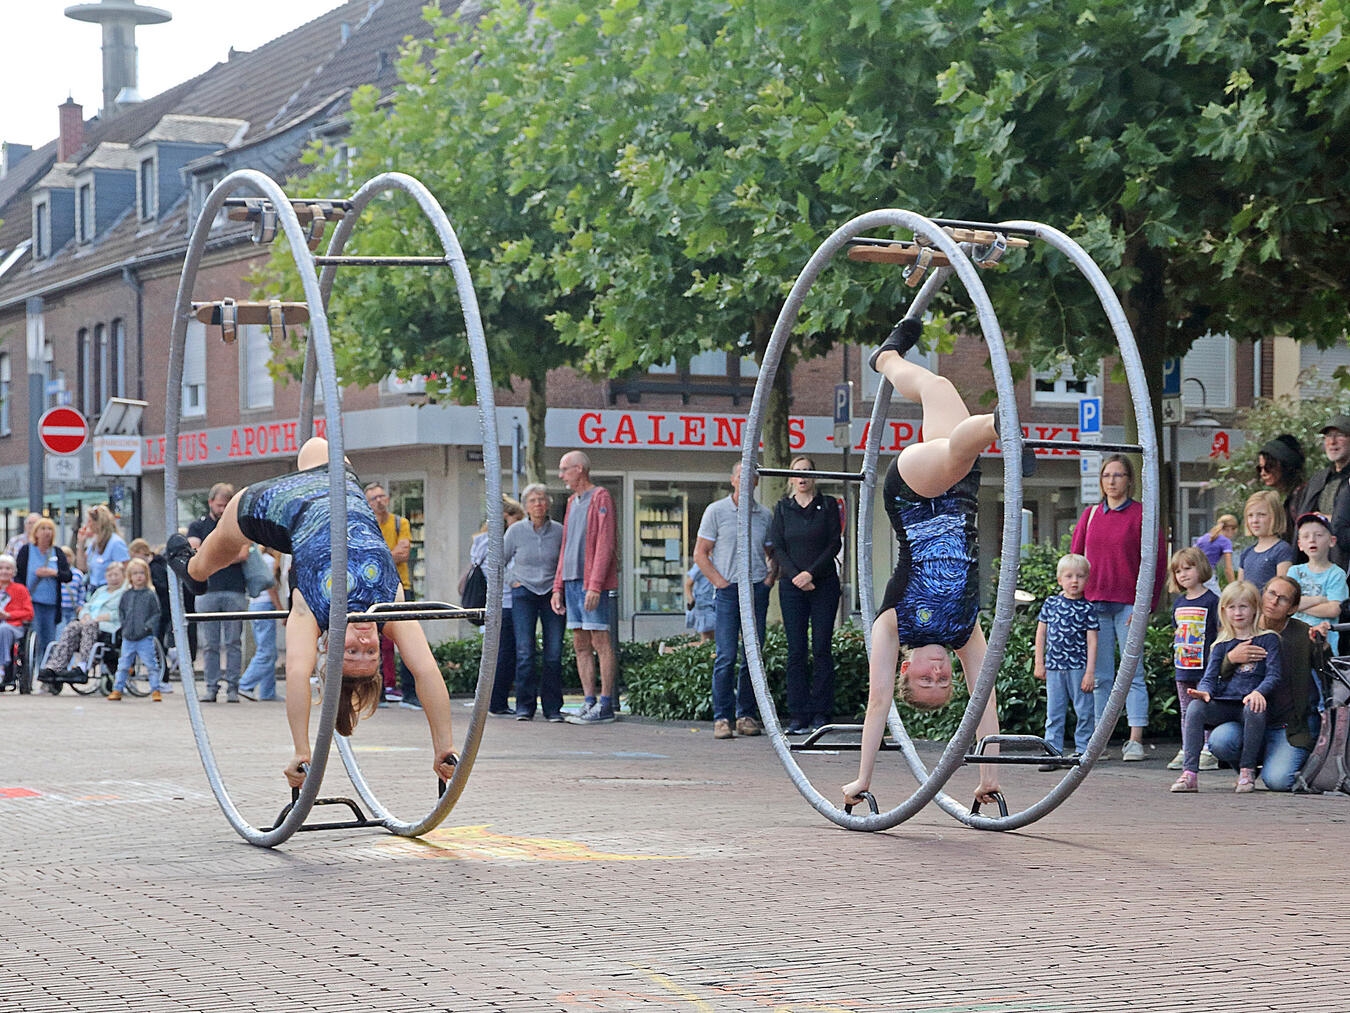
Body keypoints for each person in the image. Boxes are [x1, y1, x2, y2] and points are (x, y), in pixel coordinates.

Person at [163, 437, 457, 786]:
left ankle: (192, 570)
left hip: (272, 508)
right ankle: (197, 568)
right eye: (370, 652)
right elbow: (425, 670)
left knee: (213, 555)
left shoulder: (311, 612)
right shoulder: (388, 606)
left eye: (352, 651)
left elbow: (298, 674)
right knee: (319, 444)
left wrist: (302, 751)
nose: (363, 642)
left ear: (329, 648)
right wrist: (445, 746)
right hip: (332, 482)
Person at [842, 318, 1002, 807]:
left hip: (914, 495)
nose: (936, 672)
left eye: (924, 679)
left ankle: (998, 425)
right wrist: (989, 778)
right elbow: (985, 702)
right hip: (960, 492)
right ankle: (887, 359)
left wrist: (862, 779)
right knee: (939, 387)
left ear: (906, 668)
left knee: (955, 453)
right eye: (943, 680)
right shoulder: (964, 631)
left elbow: (877, 703)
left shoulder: (893, 624)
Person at [1070, 454, 1165, 762]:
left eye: (1118, 475)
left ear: (1129, 480)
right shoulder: (1090, 516)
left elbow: (1156, 562)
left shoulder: (1142, 515)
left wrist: (1147, 605)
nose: (1111, 481)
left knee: (1132, 674)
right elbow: (1074, 561)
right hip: (1094, 606)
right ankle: (1100, 741)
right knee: (1100, 677)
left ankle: (1135, 740)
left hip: (1129, 606)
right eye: (1106, 475)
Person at [1207, 575, 1322, 792]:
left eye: (1283, 599)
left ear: (1293, 608)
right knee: (1220, 741)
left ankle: (1296, 763)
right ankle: (1246, 770)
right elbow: (1212, 676)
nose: (1274, 601)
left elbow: (1326, 672)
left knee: (1278, 781)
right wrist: (1231, 658)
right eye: (1271, 593)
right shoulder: (1241, 626)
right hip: (1245, 719)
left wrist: (1321, 646)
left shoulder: (1302, 633)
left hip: (1287, 726)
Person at [1170, 580, 1282, 794]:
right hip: (1225, 704)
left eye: (1243, 606)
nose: (1237, 613)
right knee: (1195, 708)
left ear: (1255, 608)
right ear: (1223, 611)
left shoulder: (1268, 639)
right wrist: (1204, 692)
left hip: (1251, 704)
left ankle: (1247, 771)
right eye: (1232, 607)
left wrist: (1258, 692)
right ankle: (1189, 773)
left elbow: (1274, 675)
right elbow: (1209, 678)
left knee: (1254, 707)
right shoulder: (1220, 644)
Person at [695, 461, 776, 740]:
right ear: (732, 480)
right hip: (729, 591)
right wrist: (720, 582)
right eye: (741, 475)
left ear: (756, 482)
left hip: (755, 590)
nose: (745, 480)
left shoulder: (764, 515)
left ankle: (746, 715)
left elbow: (773, 551)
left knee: (752, 656)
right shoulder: (716, 511)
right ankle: (722, 717)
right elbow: (700, 553)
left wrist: (769, 580)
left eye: (751, 476)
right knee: (726, 655)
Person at [768, 455, 843, 735]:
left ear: (814, 476)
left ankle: (821, 713)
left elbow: (834, 543)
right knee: (796, 649)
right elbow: (777, 546)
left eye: (807, 472)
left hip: (823, 584)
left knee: (822, 647)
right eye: (797, 472)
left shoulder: (828, 505)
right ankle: (798, 714)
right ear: (790, 478)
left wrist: (810, 574)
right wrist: (796, 576)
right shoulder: (782, 509)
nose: (802, 477)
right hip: (792, 587)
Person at [552, 451, 620, 725]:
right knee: (580, 643)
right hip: (571, 582)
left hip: (591, 583)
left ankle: (606, 703)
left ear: (579, 469)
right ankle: (588, 700)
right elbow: (566, 545)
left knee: (600, 641)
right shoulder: (572, 502)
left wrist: (595, 585)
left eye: (564, 469)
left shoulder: (600, 497)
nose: (561, 475)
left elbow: (605, 543)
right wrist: (557, 586)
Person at [504, 483, 565, 721]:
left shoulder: (560, 531)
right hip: (524, 593)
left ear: (548, 503)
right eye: (532, 500)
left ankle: (552, 708)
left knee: (554, 652)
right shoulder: (515, 531)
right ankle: (524, 707)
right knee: (525, 651)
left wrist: (560, 587)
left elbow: (565, 562)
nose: (538, 504)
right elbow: (497, 561)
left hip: (552, 593)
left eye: (541, 499)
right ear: (526, 506)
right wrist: (512, 581)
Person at [1033, 553, 1098, 769]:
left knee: (1084, 711)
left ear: (1087, 579)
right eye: (1069, 576)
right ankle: (1052, 752)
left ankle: (1083, 751)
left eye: (1080, 576)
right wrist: (1039, 662)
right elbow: (1041, 634)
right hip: (1054, 667)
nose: (1074, 581)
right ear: (1060, 579)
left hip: (1078, 667)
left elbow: (1092, 642)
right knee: (1054, 712)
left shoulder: (1087, 608)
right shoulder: (1051, 604)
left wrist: (1090, 672)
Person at [188, 484, 249, 704]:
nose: (223, 510)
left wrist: (211, 555)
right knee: (210, 644)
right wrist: (225, 555)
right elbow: (194, 552)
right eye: (220, 505)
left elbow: (243, 554)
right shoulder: (198, 525)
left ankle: (233, 688)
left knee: (233, 642)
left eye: (226, 506)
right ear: (211, 502)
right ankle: (211, 687)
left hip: (234, 590)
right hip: (207, 590)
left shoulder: (238, 525)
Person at [1166, 547, 1220, 772]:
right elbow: (1176, 631)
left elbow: (1219, 631)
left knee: (1204, 707)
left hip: (1205, 667)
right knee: (1186, 710)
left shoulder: (1212, 601)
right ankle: (1188, 747)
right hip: (1183, 667)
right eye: (1178, 571)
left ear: (1201, 568)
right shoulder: (1178, 604)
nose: (1183, 574)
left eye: (1188, 568)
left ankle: (1208, 749)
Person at [364, 481, 417, 707]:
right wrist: (389, 555)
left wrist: (379, 557)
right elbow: (366, 557)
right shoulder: (365, 525)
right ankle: (377, 694)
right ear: (367, 503)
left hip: (401, 587)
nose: (379, 501)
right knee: (372, 641)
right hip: (374, 589)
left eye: (382, 496)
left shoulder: (399, 523)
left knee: (408, 641)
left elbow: (403, 553)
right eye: (373, 498)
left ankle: (410, 694)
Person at [38, 559, 126, 684]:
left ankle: (83, 666)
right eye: (110, 575)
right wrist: (84, 615)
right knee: (73, 626)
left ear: (123, 576)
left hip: (108, 627)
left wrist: (103, 617)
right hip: (89, 623)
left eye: (116, 575)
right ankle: (55, 666)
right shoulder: (101, 591)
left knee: (90, 625)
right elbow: (87, 606)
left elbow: (123, 612)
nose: (113, 578)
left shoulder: (124, 593)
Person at [484, 496, 525, 717]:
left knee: (504, 652)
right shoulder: (495, 542)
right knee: (507, 653)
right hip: (506, 602)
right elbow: (494, 568)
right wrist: (513, 580)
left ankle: (497, 700)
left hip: (501, 602)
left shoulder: (483, 540)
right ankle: (497, 701)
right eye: (516, 518)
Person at [1285, 512, 1348, 654]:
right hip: (1295, 641)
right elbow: (1287, 604)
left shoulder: (1337, 574)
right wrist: (1320, 599)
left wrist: (1298, 606)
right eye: (1306, 536)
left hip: (1324, 644)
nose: (1312, 540)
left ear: (1332, 541)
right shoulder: (1294, 571)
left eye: (1319, 535)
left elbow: (1333, 609)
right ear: (1300, 544)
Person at [1296, 415, 1350, 567]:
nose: (1332, 442)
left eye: (1340, 435)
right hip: (1317, 563)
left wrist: (1330, 519)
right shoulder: (1318, 479)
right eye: (1328, 436)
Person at [16, 518, 71, 665]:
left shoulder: (57, 552)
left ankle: (46, 669)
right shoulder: (26, 550)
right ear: (36, 532)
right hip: (32, 603)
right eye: (43, 529)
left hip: (51, 605)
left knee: (49, 640)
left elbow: (67, 575)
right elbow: (18, 576)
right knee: (35, 638)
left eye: (50, 529)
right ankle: (33, 669)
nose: (47, 532)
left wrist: (54, 573)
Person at [109, 558, 163, 702]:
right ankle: (117, 688)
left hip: (145, 637)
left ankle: (155, 689)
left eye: (141, 573)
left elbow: (156, 613)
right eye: (135, 573)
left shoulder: (150, 594)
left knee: (151, 664)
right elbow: (121, 611)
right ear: (130, 577)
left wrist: (147, 627)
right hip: (128, 636)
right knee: (123, 664)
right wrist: (124, 625)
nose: (139, 576)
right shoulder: (126, 595)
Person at [238, 547, 284, 701]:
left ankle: (267, 692)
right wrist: (280, 609)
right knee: (266, 651)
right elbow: (270, 587)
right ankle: (245, 684)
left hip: (256, 605)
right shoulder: (269, 560)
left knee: (267, 650)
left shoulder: (258, 558)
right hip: (265, 605)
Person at [1236, 489, 1294, 589]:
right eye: (1250, 515)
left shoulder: (1282, 550)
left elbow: (1283, 589)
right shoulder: (1246, 552)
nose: (1254, 520)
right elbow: (1239, 588)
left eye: (1261, 515)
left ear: (1275, 516)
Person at [1255, 434, 1306, 543]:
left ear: (1285, 466)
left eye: (1268, 467)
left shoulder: (1301, 496)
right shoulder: (1289, 497)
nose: (1263, 473)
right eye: (1260, 468)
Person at [78, 505, 129, 589]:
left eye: (90, 521)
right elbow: (82, 567)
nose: (87, 525)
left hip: (110, 589)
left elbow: (125, 570)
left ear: (98, 523)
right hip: (94, 589)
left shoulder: (116, 543)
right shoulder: (94, 543)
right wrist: (81, 543)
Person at [0, 553, 35, 665]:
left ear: (13, 571)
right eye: (1, 568)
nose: (4, 571)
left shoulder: (21, 589)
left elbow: (29, 613)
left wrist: (9, 615)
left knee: (3, 629)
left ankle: (2, 666)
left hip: (13, 626)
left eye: (8, 568)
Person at [1191, 514, 1237, 589]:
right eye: (1234, 532)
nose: (1232, 535)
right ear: (1230, 529)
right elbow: (1228, 569)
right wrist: (1234, 587)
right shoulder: (1226, 542)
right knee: (1217, 596)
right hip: (1208, 575)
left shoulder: (1203, 538)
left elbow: (1192, 555)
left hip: (1195, 576)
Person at [683, 563, 715, 645]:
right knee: (707, 638)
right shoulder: (701, 563)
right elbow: (688, 584)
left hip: (714, 603)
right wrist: (691, 599)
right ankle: (672, 650)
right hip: (704, 605)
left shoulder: (718, 562)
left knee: (714, 638)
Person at [58, 545, 86, 636]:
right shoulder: (56, 572)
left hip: (73, 609)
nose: (66, 558)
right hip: (60, 609)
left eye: (68, 556)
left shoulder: (78, 574)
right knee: (60, 632)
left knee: (72, 633)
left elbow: (82, 591)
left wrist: (81, 604)